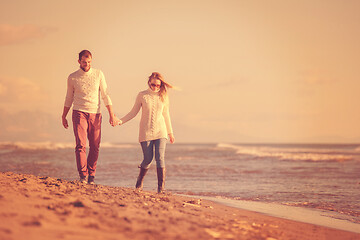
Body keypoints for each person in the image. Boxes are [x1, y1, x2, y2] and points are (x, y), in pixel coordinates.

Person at [62, 50, 119, 184]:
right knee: (81, 145)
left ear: (91, 61)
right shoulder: (72, 77)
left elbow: (105, 94)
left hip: (96, 113)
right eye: (84, 62)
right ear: (79, 62)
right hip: (79, 112)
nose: (86, 64)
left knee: (95, 145)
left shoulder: (98, 74)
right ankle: (83, 175)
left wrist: (111, 114)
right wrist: (63, 115)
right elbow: (69, 97)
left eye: (88, 62)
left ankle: (91, 174)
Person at [118, 72, 175, 193]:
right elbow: (133, 112)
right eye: (153, 84)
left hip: (161, 131)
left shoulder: (163, 96)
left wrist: (170, 133)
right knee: (148, 159)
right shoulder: (142, 95)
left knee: (160, 158)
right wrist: (120, 121)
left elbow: (166, 115)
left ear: (160, 85)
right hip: (146, 132)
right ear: (149, 82)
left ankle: (161, 188)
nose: (155, 87)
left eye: (158, 85)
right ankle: (140, 181)